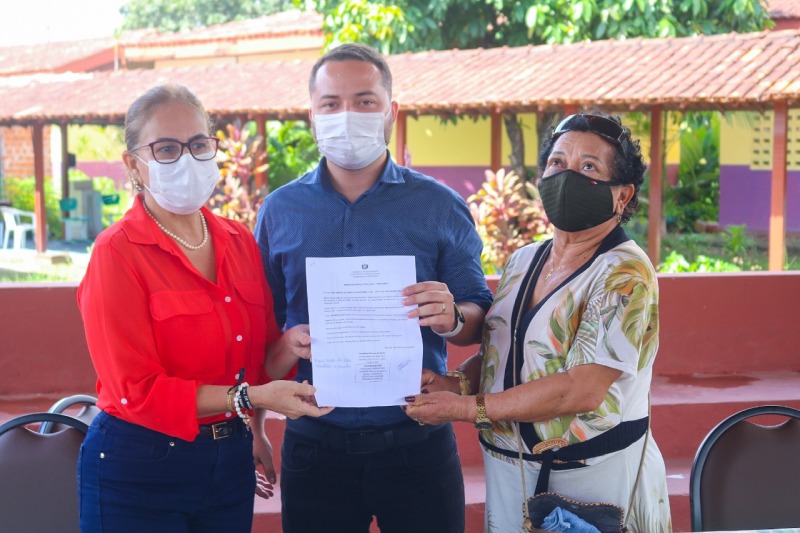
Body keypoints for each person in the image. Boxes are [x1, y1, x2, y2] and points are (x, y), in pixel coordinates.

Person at [254, 43, 493, 533]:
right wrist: (279, 361)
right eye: (331, 104)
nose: (347, 115)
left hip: (418, 446)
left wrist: (453, 317)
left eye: (365, 101)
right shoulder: (280, 211)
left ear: (391, 112)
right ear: (312, 116)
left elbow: (480, 319)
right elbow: (259, 329)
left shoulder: (440, 207)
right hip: (315, 448)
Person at [77, 83, 332, 533]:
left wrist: (289, 350)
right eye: (166, 149)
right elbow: (136, 390)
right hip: (141, 465)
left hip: (229, 461)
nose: (187, 159)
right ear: (133, 164)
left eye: (198, 145)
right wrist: (249, 400)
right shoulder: (117, 252)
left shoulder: (239, 242)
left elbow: (258, 366)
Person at [405, 112, 672, 532]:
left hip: (591, 482)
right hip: (511, 471)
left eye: (588, 167)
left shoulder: (625, 272)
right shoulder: (524, 259)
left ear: (622, 196)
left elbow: (580, 389)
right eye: (557, 163)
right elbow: (502, 353)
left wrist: (465, 407)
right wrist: (456, 381)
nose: (567, 176)